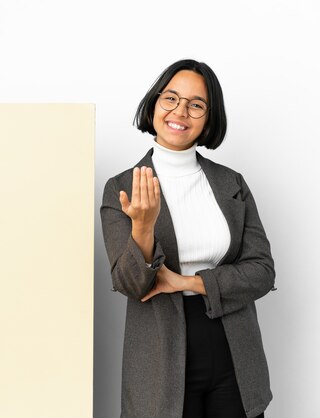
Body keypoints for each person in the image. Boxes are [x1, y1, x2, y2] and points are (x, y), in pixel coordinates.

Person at [100, 59, 276, 418]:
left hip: (234, 352)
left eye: (196, 104)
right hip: (159, 358)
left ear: (208, 119)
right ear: (154, 104)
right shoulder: (121, 188)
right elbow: (131, 284)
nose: (181, 111)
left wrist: (187, 282)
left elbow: (262, 272)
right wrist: (143, 228)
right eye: (171, 99)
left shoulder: (232, 184)